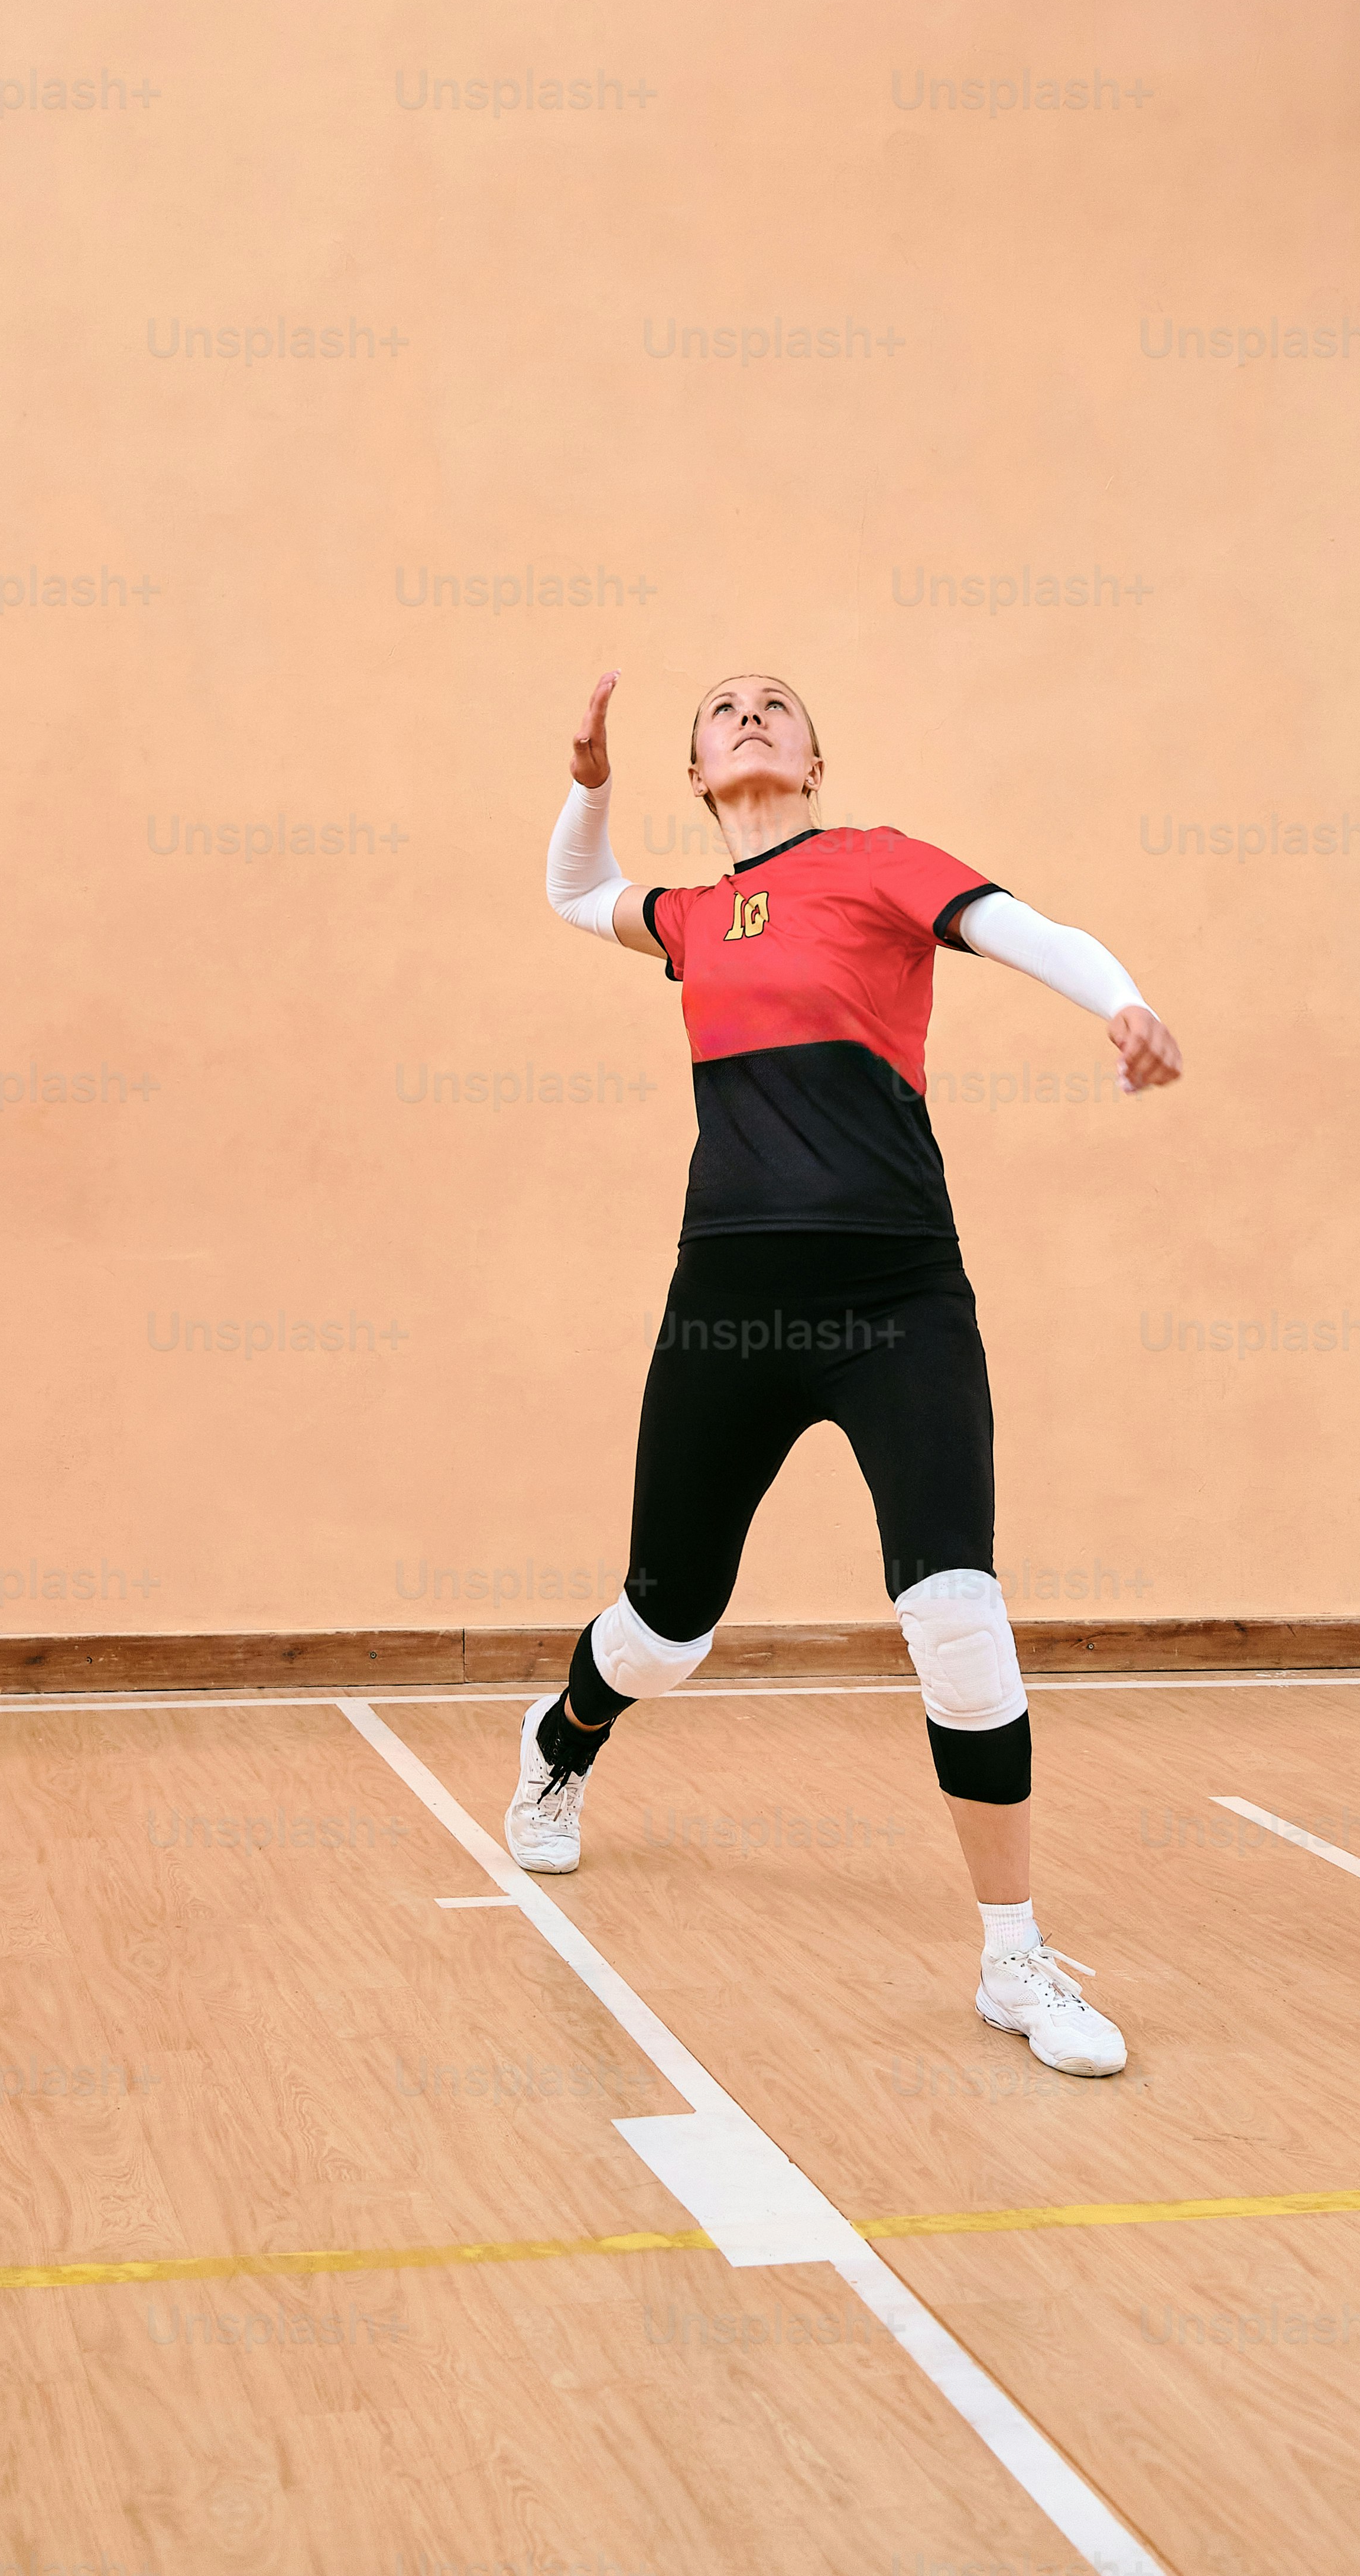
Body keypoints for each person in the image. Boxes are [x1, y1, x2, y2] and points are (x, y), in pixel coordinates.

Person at [505, 670, 1183, 2075]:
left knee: (955, 1605)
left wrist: (1118, 1002)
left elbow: (1022, 927)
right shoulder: (691, 919)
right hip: (729, 1301)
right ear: (698, 770)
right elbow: (580, 894)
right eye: (721, 709)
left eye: (776, 704)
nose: (748, 714)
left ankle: (1014, 1958)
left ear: (816, 754)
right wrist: (586, 777)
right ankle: (565, 1736)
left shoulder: (878, 866)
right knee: (666, 1627)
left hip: (896, 1295)